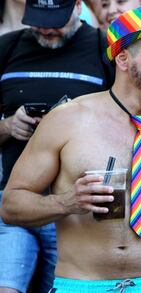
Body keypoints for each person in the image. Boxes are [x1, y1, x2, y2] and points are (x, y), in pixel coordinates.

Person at [1, 4, 141, 292]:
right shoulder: (66, 121)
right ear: (123, 59)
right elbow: (11, 206)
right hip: (82, 285)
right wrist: (66, 203)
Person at [0, 0, 114, 292]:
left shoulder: (105, 48)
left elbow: (127, 118)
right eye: (39, 20)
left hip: (79, 212)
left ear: (78, 6)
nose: (48, 29)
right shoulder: (7, 48)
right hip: (15, 201)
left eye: (57, 20)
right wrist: (9, 126)